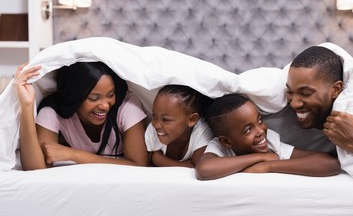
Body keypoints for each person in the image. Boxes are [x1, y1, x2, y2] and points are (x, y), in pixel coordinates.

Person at [14, 61, 148, 170]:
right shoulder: (53, 112)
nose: (105, 105)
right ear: (75, 97)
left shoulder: (126, 105)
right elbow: (36, 168)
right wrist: (26, 106)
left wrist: (73, 154)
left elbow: (139, 165)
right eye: (94, 98)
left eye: (110, 95)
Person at [286, 45, 353, 180]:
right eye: (289, 92)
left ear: (336, 89)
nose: (294, 103)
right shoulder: (275, 112)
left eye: (306, 93)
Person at [195, 93, 340, 180]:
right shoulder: (220, 147)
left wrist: (268, 166)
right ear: (226, 141)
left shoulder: (270, 141)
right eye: (247, 130)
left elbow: (330, 164)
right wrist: (260, 157)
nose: (260, 131)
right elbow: (204, 170)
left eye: (259, 121)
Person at [145, 84, 214, 168]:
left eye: (166, 120)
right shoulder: (153, 130)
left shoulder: (202, 131)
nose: (156, 125)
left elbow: (197, 166)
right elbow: (146, 165)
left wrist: (158, 159)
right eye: (154, 116)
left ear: (192, 119)